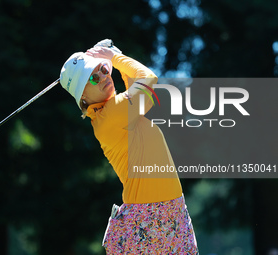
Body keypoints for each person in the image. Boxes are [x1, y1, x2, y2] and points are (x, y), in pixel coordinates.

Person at [60, 39, 198, 254]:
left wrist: (114, 56)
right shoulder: (110, 115)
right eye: (94, 78)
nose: (104, 77)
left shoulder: (116, 112)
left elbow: (146, 97)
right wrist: (114, 57)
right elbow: (148, 79)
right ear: (83, 97)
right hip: (149, 218)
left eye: (104, 69)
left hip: (170, 213)